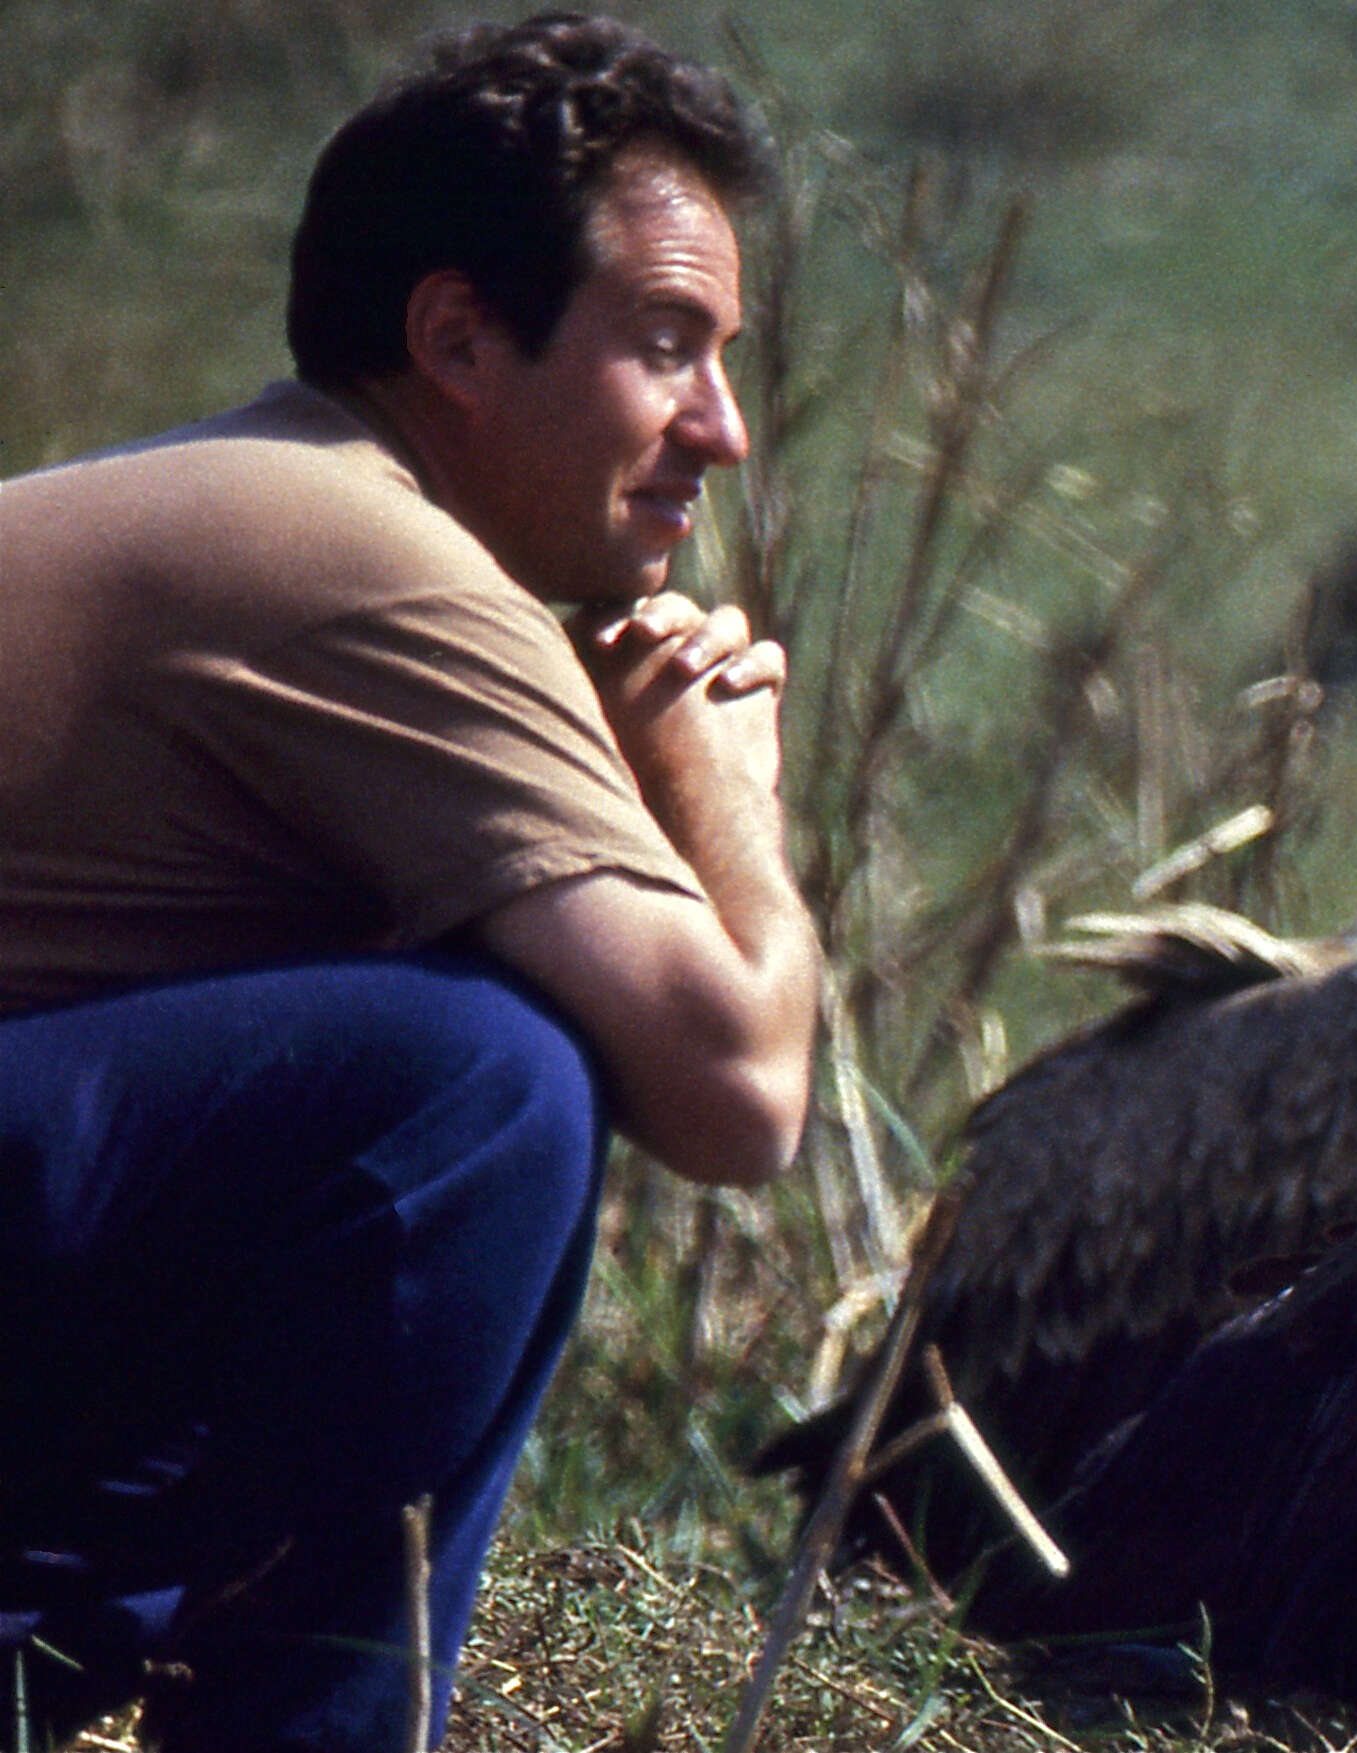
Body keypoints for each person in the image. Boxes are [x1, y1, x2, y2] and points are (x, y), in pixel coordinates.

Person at [0, 13, 821, 1748]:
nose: (722, 429)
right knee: (480, 1080)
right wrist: (720, 792)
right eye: (665, 344)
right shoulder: (379, 557)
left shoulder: (259, 494)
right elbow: (738, 1085)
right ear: (455, 334)